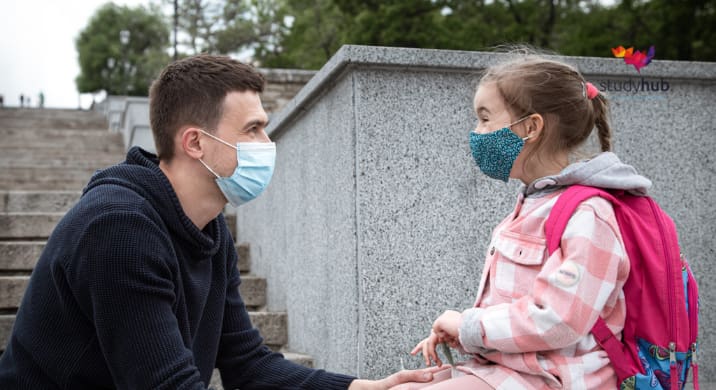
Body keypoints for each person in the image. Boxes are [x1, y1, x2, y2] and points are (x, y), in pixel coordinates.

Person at [0, 54, 447, 389]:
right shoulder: (118, 229)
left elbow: (246, 363)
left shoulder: (207, 228)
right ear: (195, 142)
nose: (267, 143)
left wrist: (358, 387)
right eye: (252, 129)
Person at [401, 52, 652, 389]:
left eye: (485, 118)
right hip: (514, 371)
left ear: (530, 127)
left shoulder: (589, 214)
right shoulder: (532, 204)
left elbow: (559, 318)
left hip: (555, 378)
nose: (477, 132)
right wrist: (463, 335)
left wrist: (468, 326)